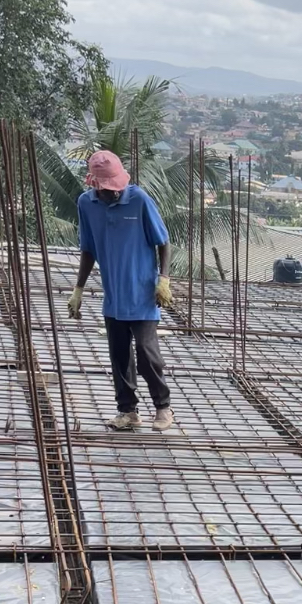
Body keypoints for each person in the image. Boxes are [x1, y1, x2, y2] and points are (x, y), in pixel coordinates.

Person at [68, 150, 175, 431]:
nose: (115, 193)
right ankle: (128, 411)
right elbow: (88, 249)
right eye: (108, 189)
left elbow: (163, 242)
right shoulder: (86, 204)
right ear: (94, 184)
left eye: (117, 187)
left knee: (146, 351)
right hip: (113, 294)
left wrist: (163, 279)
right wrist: (78, 288)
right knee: (119, 355)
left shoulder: (138, 200)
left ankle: (163, 408)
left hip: (142, 293)